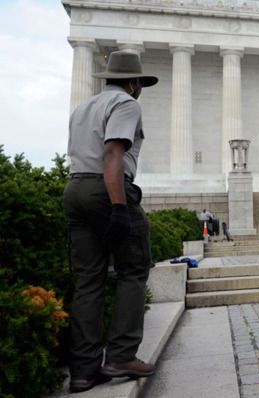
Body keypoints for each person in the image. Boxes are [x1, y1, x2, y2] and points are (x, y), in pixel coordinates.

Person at [63, 51, 158, 393]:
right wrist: (119, 205)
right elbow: (113, 153)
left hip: (74, 188)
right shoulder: (126, 104)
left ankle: (83, 370)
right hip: (106, 188)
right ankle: (121, 354)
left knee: (88, 279)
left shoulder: (82, 107)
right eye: (140, 83)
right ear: (133, 82)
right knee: (134, 268)